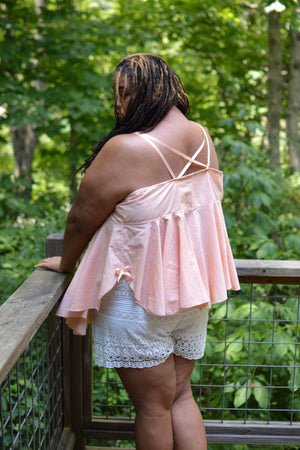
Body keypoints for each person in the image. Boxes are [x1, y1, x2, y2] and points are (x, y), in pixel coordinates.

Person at [36, 53, 240, 450]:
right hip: (190, 295)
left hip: (138, 296)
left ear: (151, 91)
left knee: (152, 406)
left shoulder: (127, 148)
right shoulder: (201, 137)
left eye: (125, 93)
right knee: (180, 395)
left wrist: (66, 263)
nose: (119, 104)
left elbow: (81, 220)